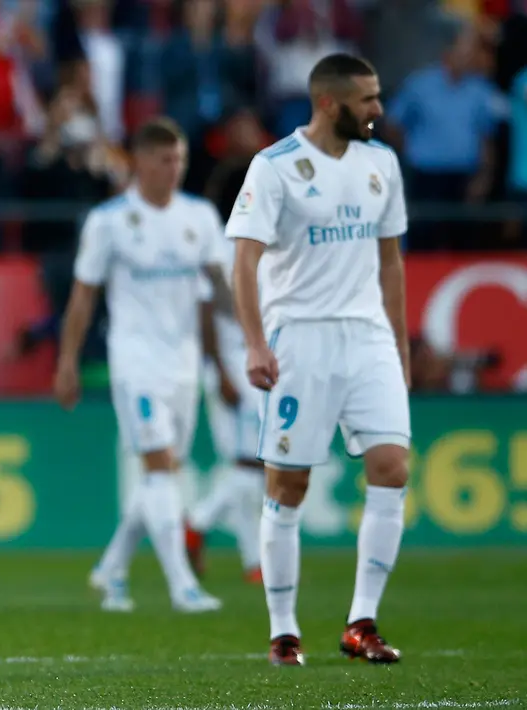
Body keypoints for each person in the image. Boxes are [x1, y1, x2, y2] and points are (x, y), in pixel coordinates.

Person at [225, 53, 410, 666]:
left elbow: (390, 263)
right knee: (290, 483)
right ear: (330, 103)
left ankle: (362, 622)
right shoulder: (275, 166)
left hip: (367, 336)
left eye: (378, 96)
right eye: (367, 99)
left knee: (391, 465)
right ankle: (284, 630)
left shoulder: (381, 163)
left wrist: (400, 348)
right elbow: (245, 259)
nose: (378, 110)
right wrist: (255, 342)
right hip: (298, 337)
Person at [54, 117, 230, 614]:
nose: (174, 169)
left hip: (184, 362)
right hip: (135, 361)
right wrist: (67, 361)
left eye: (180, 160)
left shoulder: (200, 217)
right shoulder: (109, 220)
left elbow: (219, 291)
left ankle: (111, 568)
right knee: (158, 468)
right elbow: (83, 298)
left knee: (164, 471)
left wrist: (254, 338)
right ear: (140, 162)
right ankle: (183, 586)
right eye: (164, 160)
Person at [183, 233, 265, 584]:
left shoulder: (260, 248)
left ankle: (254, 564)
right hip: (231, 370)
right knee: (253, 462)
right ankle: (197, 523)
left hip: (245, 365)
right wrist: (219, 369)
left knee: (247, 468)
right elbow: (209, 311)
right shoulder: (217, 246)